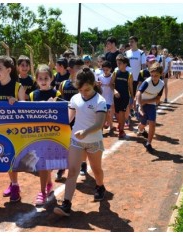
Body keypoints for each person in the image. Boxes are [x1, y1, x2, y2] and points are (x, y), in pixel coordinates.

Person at [53, 67, 107, 217]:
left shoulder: (100, 101)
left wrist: (86, 132)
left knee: (97, 170)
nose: (84, 93)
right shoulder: (75, 99)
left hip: (94, 141)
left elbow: (99, 124)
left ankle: (100, 186)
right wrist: (52, 106)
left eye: (87, 89)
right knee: (73, 172)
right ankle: (66, 204)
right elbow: (68, 119)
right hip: (76, 141)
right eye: (81, 90)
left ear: (94, 84)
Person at [0, 55, 26, 202]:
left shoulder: (18, 87)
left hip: (15, 130)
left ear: (9, 70)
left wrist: (16, 102)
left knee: (12, 158)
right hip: (0, 128)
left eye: (0, 68)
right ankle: (13, 183)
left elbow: (25, 110)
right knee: (6, 158)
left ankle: (16, 186)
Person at [29, 64, 61, 206]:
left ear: (51, 78)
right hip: (37, 135)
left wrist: (53, 105)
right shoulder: (32, 95)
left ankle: (43, 191)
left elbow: (63, 114)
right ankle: (47, 186)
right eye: (40, 78)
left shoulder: (57, 94)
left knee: (45, 164)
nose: (43, 81)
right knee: (43, 164)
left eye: (46, 78)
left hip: (53, 135)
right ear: (36, 79)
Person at [55, 57, 88, 181]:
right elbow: (58, 99)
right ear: (70, 69)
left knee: (82, 143)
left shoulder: (84, 85)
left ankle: (83, 164)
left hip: (81, 119)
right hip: (67, 119)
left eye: (82, 68)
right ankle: (62, 166)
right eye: (77, 68)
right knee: (65, 143)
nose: (81, 71)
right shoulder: (64, 84)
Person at [136, 62, 164, 153]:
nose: (154, 77)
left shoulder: (161, 84)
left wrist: (147, 101)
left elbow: (158, 98)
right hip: (141, 103)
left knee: (152, 122)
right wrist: (140, 105)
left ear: (160, 74)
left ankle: (149, 143)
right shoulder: (147, 82)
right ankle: (140, 129)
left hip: (151, 104)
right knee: (143, 123)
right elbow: (138, 93)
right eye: (152, 75)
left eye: (156, 75)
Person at [110, 54, 134, 139]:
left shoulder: (129, 74)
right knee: (117, 114)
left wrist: (132, 99)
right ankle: (120, 124)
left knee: (122, 113)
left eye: (120, 63)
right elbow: (111, 84)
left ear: (125, 64)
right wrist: (114, 91)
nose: (118, 64)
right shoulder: (115, 72)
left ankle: (121, 131)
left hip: (125, 96)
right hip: (116, 97)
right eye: (117, 63)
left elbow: (131, 87)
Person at [97, 61, 114, 132]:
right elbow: (97, 88)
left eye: (107, 70)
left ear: (110, 69)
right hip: (102, 98)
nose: (105, 71)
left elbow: (114, 86)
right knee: (105, 113)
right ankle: (111, 126)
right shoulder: (100, 77)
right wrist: (98, 85)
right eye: (104, 70)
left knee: (107, 112)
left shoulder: (113, 76)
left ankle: (103, 127)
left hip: (110, 98)